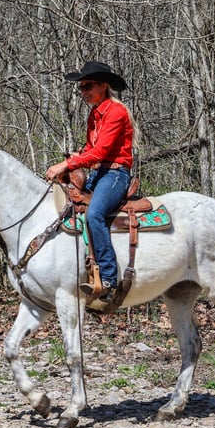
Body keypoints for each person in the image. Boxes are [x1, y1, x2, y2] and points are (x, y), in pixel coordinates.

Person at [45, 61, 135, 303]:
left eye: (88, 86)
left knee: (95, 213)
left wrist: (65, 165)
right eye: (81, 88)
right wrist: (76, 157)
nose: (84, 91)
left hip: (116, 174)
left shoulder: (116, 112)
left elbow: (101, 152)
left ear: (103, 86)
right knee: (70, 207)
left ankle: (108, 278)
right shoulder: (94, 114)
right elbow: (91, 149)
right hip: (98, 173)